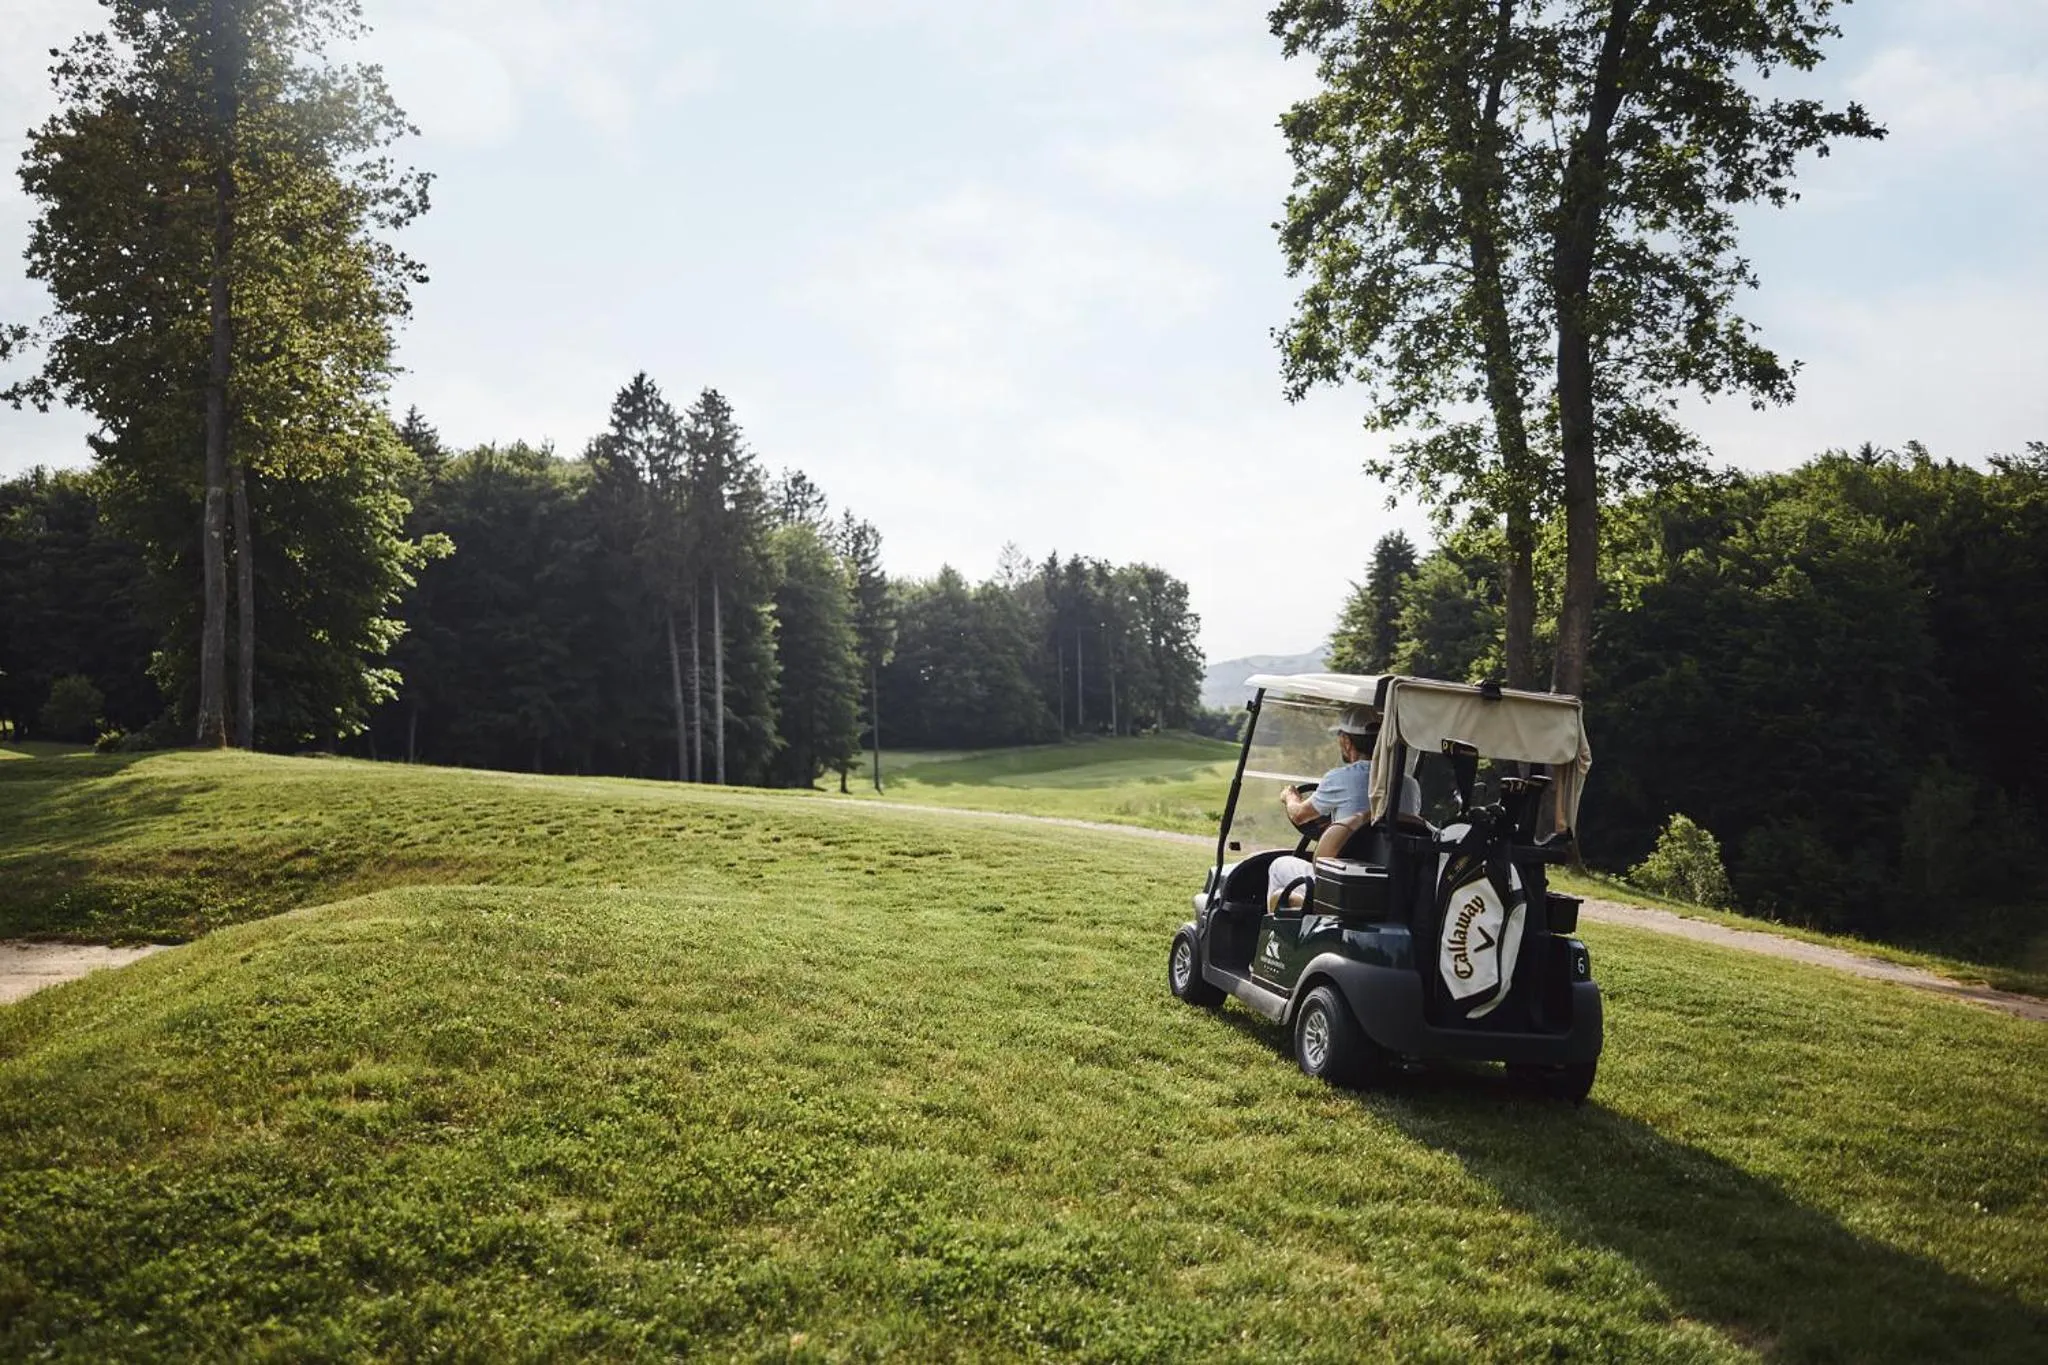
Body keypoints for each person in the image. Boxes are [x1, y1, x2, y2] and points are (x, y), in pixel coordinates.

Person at [1265, 705, 1421, 909]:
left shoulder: (1340, 778)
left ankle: (1282, 924)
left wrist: (1290, 797)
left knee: (1278, 867)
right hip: (1394, 884)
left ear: (1346, 741)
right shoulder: (1410, 785)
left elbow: (1299, 815)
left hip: (1345, 881)